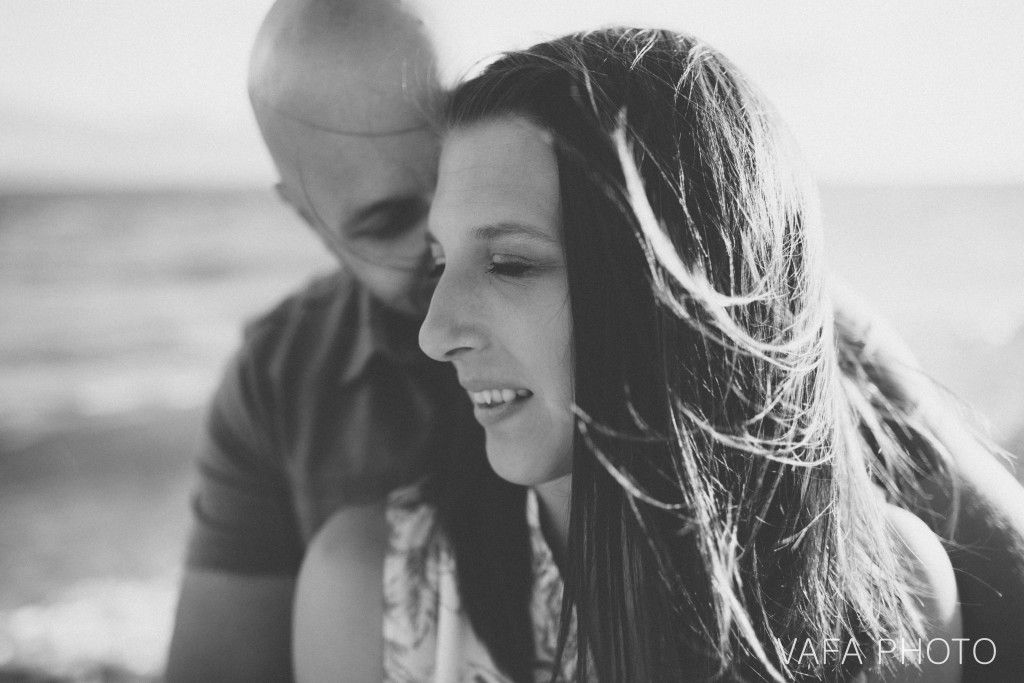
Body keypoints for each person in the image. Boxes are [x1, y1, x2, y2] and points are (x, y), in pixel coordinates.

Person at [294, 28, 965, 682]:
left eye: (508, 263)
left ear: (675, 287)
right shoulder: (371, 597)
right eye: (440, 262)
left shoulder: (888, 597)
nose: (435, 333)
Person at [163, 0, 471, 680]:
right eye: (390, 220)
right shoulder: (279, 378)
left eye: (464, 179)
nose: (450, 242)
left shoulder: (632, 301)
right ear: (308, 218)